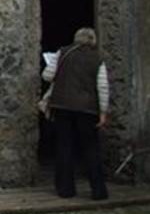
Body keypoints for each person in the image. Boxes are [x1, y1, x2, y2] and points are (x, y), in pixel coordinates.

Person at [42, 27, 110, 200]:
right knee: (91, 148)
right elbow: (102, 87)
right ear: (93, 40)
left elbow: (47, 76)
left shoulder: (62, 53)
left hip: (62, 105)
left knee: (64, 146)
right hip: (87, 109)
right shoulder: (97, 59)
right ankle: (98, 191)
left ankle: (65, 190)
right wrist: (103, 112)